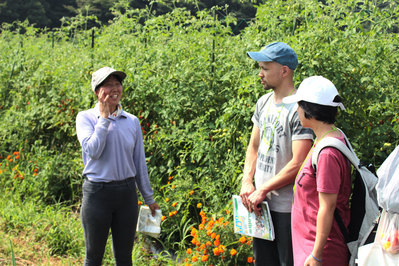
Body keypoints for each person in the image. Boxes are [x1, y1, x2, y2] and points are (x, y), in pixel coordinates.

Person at [76, 66, 160, 265]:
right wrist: (104, 119)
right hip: (97, 193)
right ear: (97, 92)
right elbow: (93, 151)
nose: (114, 89)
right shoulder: (86, 118)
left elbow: (139, 162)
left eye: (117, 84)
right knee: (93, 256)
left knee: (124, 257)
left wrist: (148, 197)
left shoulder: (131, 121)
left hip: (126, 195)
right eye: (107, 85)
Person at [240, 42, 314, 266]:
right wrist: (247, 181)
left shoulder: (300, 108)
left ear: (284, 71)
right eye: (259, 68)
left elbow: (298, 163)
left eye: (265, 68)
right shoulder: (263, 102)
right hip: (260, 205)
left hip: (287, 209)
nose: (260, 74)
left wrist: (263, 189)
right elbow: (253, 146)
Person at [283, 76, 350, 266]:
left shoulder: (328, 153)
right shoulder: (326, 137)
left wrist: (317, 255)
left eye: (298, 106)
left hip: (322, 251)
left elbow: (327, 207)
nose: (296, 110)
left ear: (309, 110)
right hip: (308, 244)